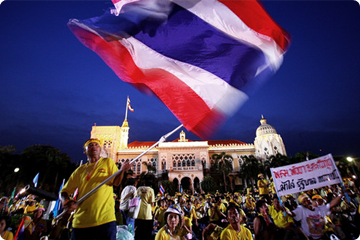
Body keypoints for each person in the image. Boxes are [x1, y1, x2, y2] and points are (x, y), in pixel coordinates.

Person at [60, 138, 131, 240]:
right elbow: (64, 191)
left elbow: (116, 182)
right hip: (81, 222)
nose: (93, 146)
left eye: (96, 144)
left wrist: (122, 171)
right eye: (90, 145)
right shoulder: (80, 171)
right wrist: (66, 202)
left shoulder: (108, 162)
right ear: (85, 151)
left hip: (105, 220)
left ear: (100, 149)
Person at [134, 175, 155, 240]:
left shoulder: (139, 189)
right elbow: (152, 203)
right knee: (147, 233)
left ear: (144, 183)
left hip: (138, 213)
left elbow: (135, 198)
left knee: (139, 232)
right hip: (147, 215)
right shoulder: (151, 190)